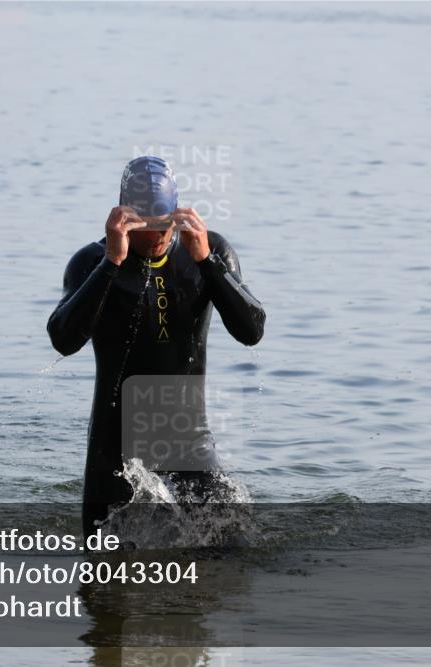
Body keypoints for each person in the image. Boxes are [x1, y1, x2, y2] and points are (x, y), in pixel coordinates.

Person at [47, 155, 265, 540]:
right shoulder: (91, 262)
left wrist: (207, 264)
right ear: (125, 217)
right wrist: (112, 262)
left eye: (165, 224)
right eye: (146, 226)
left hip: (188, 439)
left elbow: (251, 331)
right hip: (113, 449)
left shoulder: (208, 250)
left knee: (232, 553)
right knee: (104, 574)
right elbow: (63, 340)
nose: (158, 236)